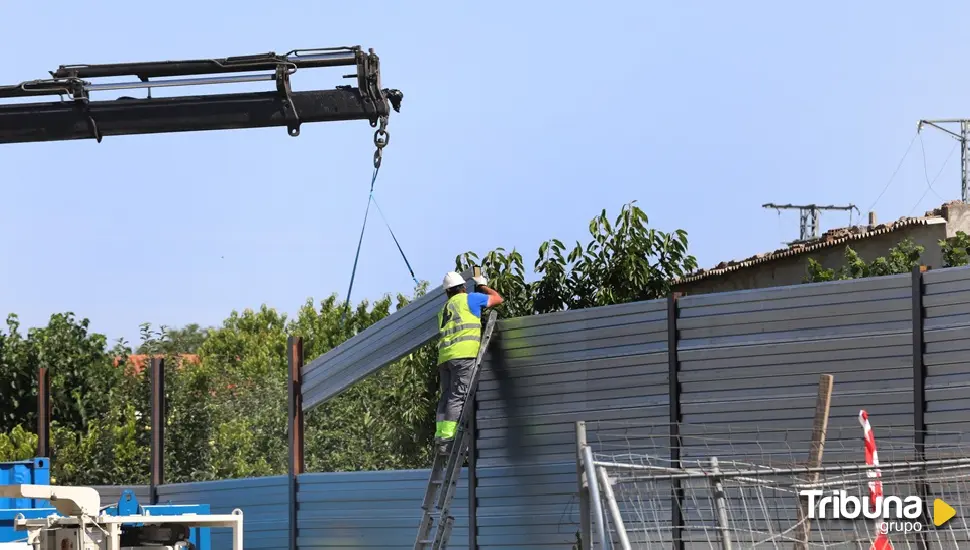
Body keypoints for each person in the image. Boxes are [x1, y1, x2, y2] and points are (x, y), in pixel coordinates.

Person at [434, 271, 504, 453]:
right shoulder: (470, 299)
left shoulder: (443, 310)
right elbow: (497, 299)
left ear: (447, 292)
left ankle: (440, 435)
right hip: (463, 355)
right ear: (463, 287)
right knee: (459, 396)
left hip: (445, 357)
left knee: (447, 396)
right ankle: (448, 441)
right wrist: (482, 284)